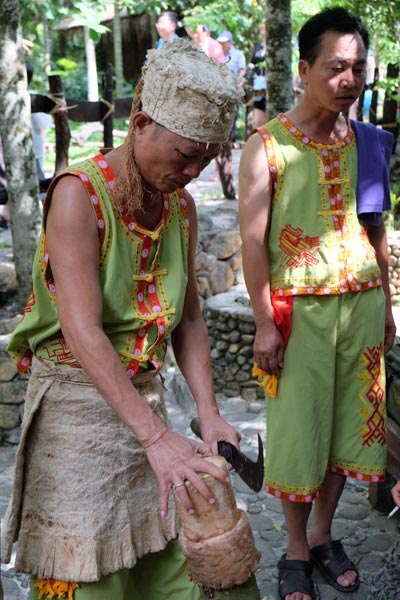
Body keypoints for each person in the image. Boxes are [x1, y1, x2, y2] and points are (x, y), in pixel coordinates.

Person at [1, 39, 243, 600]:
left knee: (167, 565)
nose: (191, 171)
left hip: (145, 401)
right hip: (75, 412)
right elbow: (82, 330)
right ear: (139, 124)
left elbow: (188, 322)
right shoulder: (78, 196)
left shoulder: (180, 209)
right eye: (184, 154)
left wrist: (209, 414)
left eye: (205, 160)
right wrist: (156, 437)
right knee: (88, 576)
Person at [239, 7, 395, 600]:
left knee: (346, 432)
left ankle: (326, 536)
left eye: (357, 68)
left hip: (361, 305)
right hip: (297, 314)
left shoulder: (371, 142)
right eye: (335, 68)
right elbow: (252, 242)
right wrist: (262, 323)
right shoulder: (267, 146)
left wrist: (385, 308)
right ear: (304, 69)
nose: (348, 80)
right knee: (299, 433)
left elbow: (375, 227)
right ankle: (297, 550)